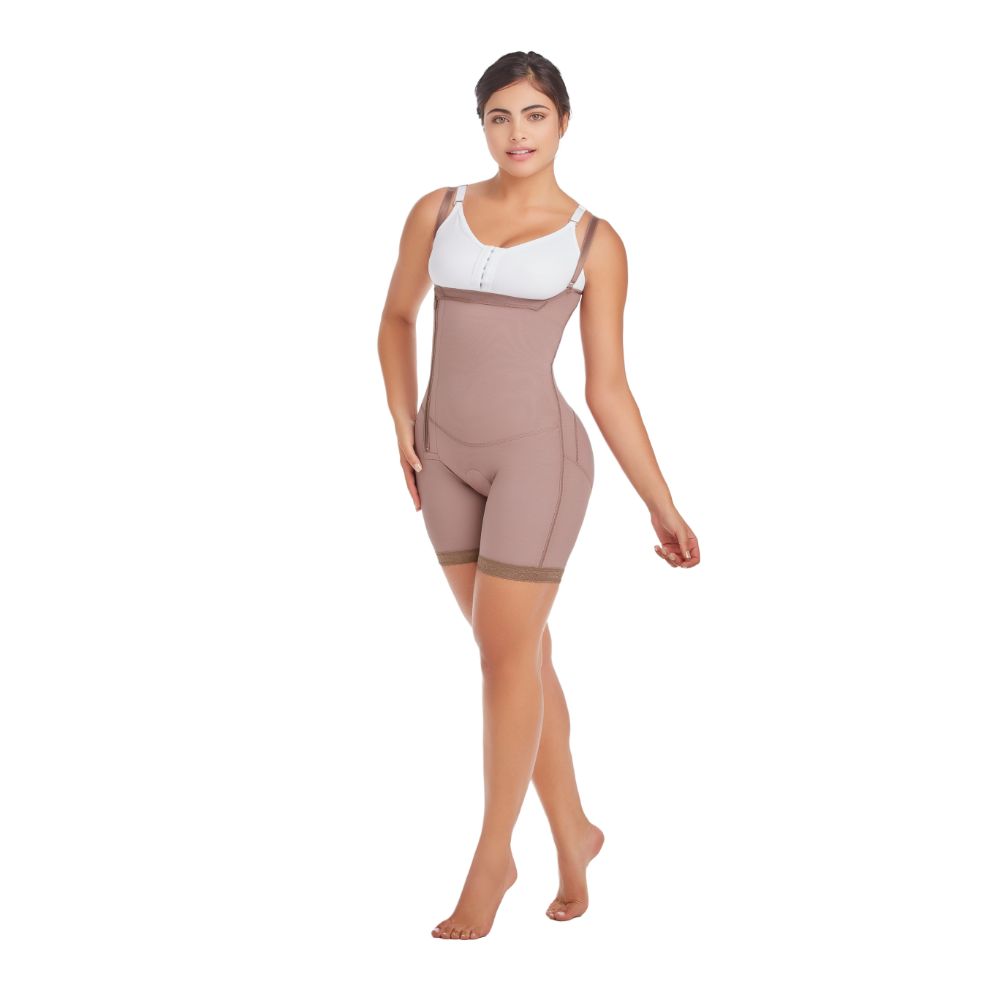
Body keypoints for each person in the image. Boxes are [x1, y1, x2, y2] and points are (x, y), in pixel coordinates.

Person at [377, 51, 701, 941]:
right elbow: (397, 317)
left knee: (502, 658)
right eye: (499, 116)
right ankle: (576, 832)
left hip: (538, 465)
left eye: (534, 116)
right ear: (481, 123)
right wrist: (402, 421)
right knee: (518, 656)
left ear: (563, 122)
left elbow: (609, 389)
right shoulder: (437, 210)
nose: (517, 134)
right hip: (443, 458)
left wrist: (661, 503)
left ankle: (494, 858)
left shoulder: (594, 241)